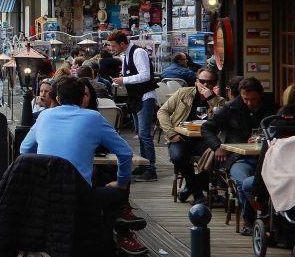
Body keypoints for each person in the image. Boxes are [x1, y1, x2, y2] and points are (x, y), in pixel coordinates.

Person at [20, 78, 148, 257]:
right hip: (77, 197)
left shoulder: (44, 116)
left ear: (57, 97)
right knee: (117, 194)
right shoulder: (93, 118)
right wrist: (121, 181)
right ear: (82, 99)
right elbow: (125, 153)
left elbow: (24, 150)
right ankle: (105, 246)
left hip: (43, 195)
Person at [201, 76, 276, 235]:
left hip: (269, 157)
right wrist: (217, 146)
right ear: (240, 95)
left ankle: (265, 215)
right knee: (243, 181)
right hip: (238, 157)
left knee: (256, 182)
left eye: (253, 99)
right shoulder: (230, 108)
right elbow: (207, 128)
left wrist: (264, 138)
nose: (249, 103)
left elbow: (278, 130)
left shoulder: (271, 108)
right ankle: (251, 218)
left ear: (260, 95)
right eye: (245, 99)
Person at [156, 68, 225, 203]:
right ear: (196, 82)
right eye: (202, 81)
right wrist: (171, 133)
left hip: (205, 139)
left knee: (216, 158)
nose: (205, 85)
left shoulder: (219, 101)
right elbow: (162, 111)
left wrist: (210, 98)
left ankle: (190, 187)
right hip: (180, 137)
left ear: (215, 84)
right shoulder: (183, 93)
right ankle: (198, 192)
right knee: (178, 156)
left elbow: (221, 119)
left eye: (209, 82)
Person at [108, 31, 158, 182]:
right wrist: (119, 81)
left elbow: (145, 75)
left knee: (144, 135)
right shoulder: (125, 55)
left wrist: (124, 80)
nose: (111, 49)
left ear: (123, 44)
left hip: (145, 97)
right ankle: (143, 165)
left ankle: (151, 169)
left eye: (113, 45)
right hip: (135, 97)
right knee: (140, 134)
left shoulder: (138, 52)